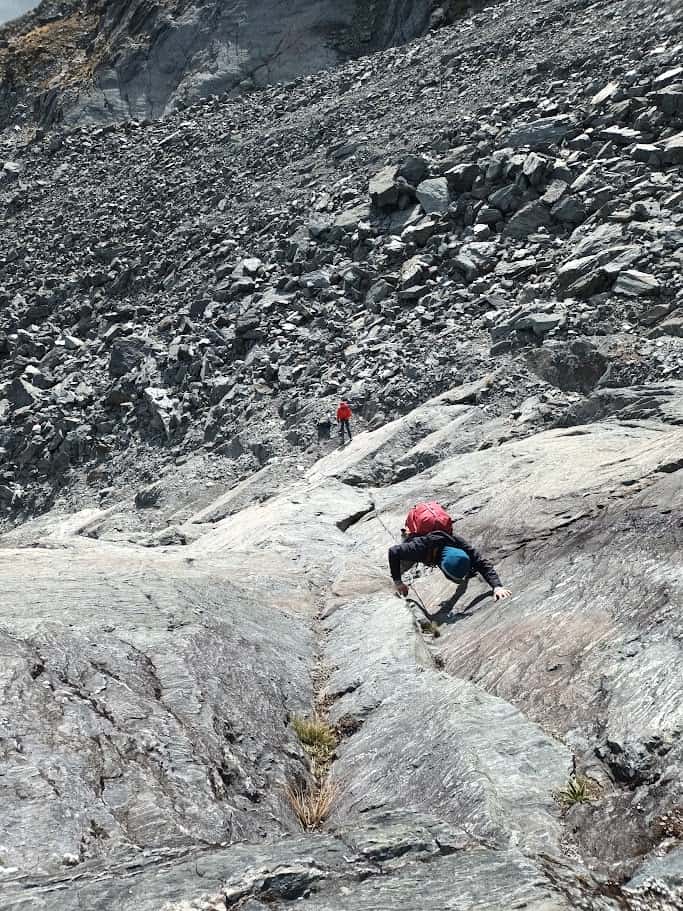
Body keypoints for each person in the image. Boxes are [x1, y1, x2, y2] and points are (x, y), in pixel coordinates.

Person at [388, 526, 512, 602]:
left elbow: (481, 563)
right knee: (397, 570)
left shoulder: (458, 543)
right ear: (442, 565)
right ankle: (406, 534)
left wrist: (497, 586)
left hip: (435, 551)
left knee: (469, 566)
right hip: (418, 544)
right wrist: (398, 581)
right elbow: (393, 551)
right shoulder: (418, 548)